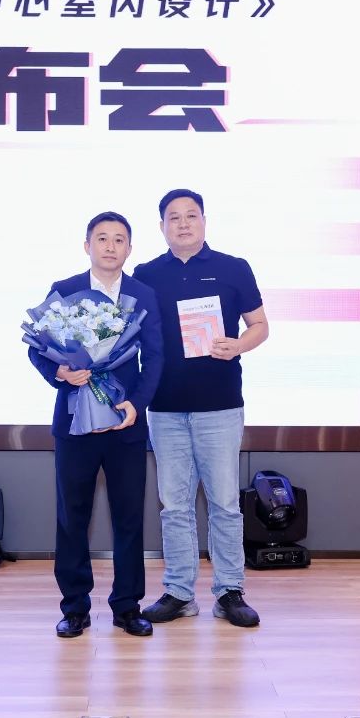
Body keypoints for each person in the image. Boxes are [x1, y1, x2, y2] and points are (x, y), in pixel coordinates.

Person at [134, 189, 269, 628]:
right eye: (174, 217)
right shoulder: (146, 274)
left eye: (191, 215)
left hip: (219, 405)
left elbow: (260, 325)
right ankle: (179, 592)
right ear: (162, 227)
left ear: (204, 221)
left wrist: (238, 345)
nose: (183, 223)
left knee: (225, 503)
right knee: (174, 506)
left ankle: (230, 591)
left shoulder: (234, 268)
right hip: (165, 407)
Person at [28, 211, 164, 638]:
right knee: (73, 517)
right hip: (74, 424)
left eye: (119, 239)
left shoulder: (143, 294)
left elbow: (155, 357)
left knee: (129, 517)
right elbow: (36, 348)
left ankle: (127, 606)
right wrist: (59, 373)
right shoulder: (65, 290)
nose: (110, 246)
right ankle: (74, 608)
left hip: (125, 425)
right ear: (87, 245)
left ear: (129, 249)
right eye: (102, 238)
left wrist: (136, 405)